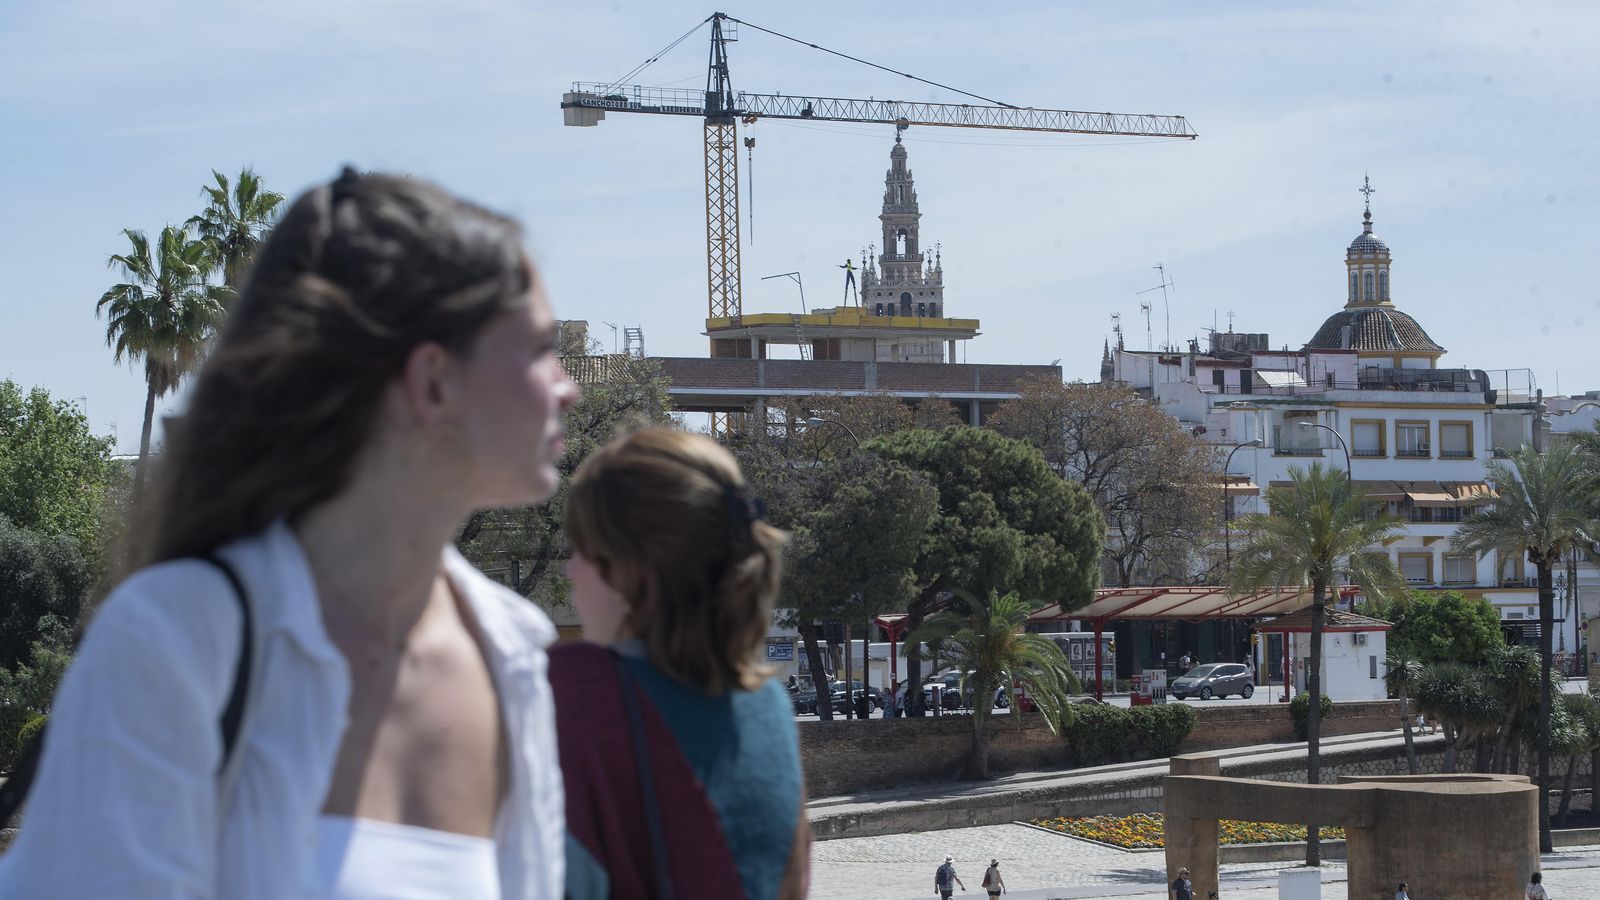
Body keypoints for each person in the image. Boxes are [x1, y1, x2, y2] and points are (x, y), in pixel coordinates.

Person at [0, 170, 577, 898]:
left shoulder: (513, 651)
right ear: (433, 382)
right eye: (538, 349)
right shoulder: (174, 639)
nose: (567, 385)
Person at [550, 429, 809, 898]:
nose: (570, 571)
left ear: (631, 569)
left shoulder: (573, 695)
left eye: (581, 549)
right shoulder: (769, 707)